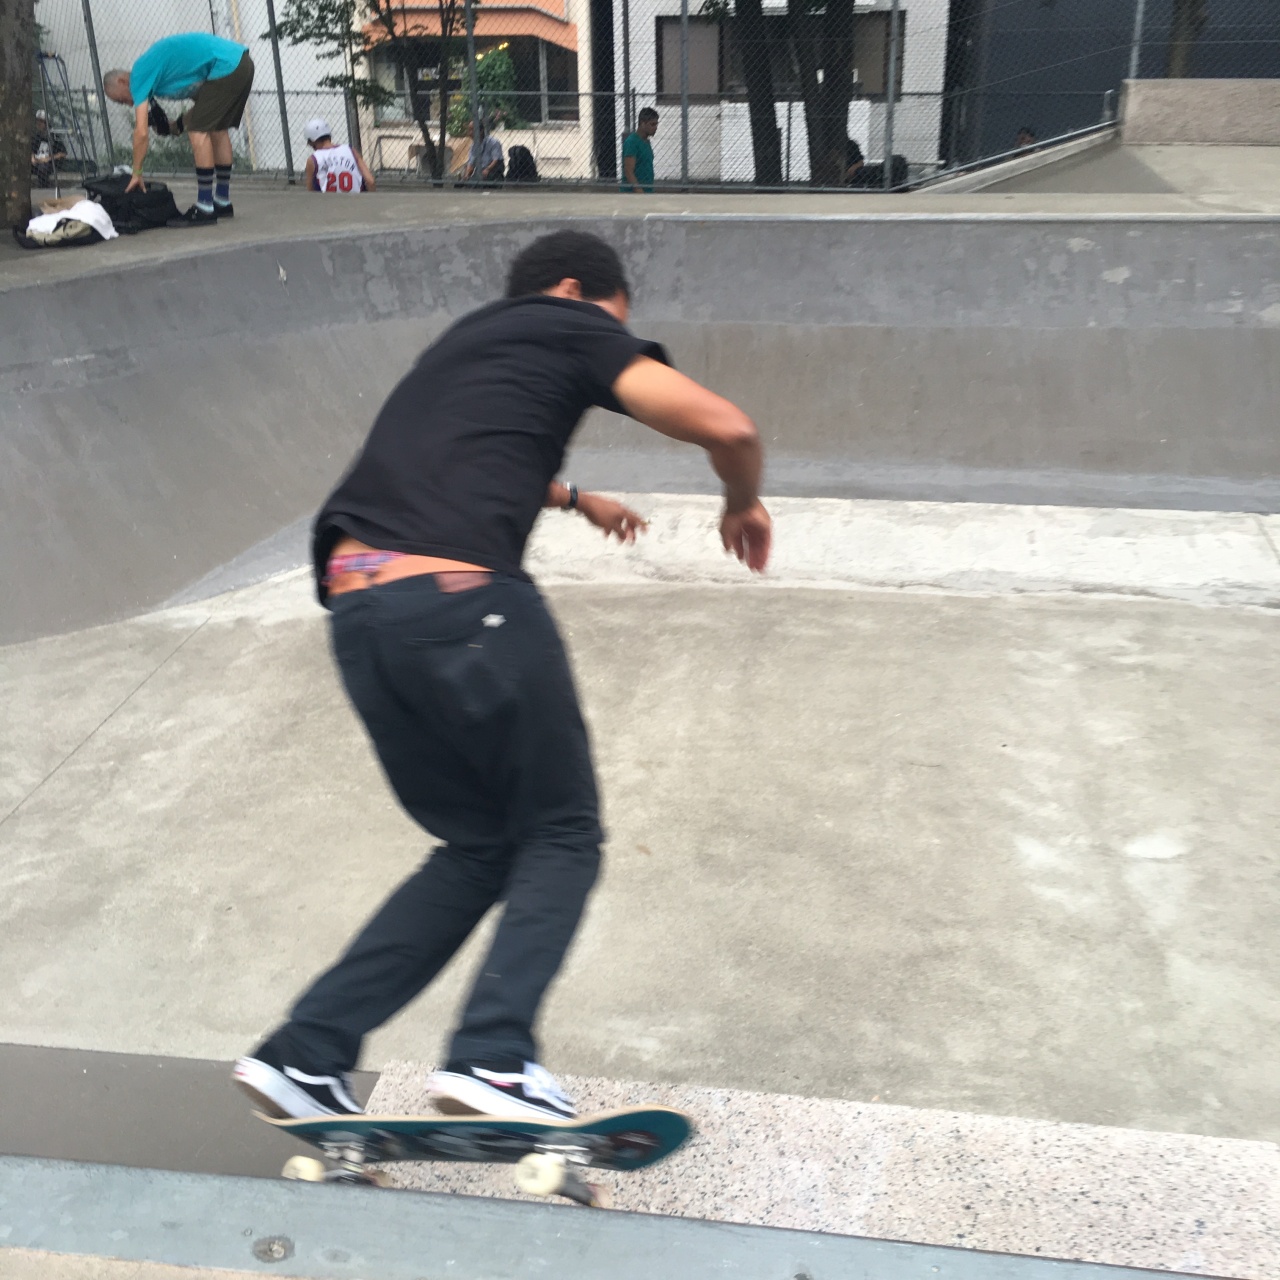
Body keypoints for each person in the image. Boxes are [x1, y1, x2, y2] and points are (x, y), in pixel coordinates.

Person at [232, 230, 771, 1122]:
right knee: (563, 833)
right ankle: (493, 1059)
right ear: (574, 291)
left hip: (361, 615)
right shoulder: (571, 320)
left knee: (480, 847)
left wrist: (574, 497)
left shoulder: (465, 343)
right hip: (461, 606)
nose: (614, 343)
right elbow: (728, 426)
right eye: (615, 325)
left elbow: (469, 448)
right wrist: (741, 498)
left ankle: (306, 1053)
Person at [103, 32, 255, 225]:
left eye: (121, 100)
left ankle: (205, 207)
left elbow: (140, 132)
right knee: (217, 129)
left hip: (228, 67)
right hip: (240, 63)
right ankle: (222, 201)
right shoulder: (163, 78)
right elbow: (203, 107)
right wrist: (174, 127)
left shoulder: (140, 74)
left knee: (198, 132)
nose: (128, 104)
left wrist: (137, 173)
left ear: (122, 82)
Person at [303, 118, 376, 193]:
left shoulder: (313, 160)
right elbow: (370, 181)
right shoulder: (351, 150)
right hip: (356, 199)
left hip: (328, 200)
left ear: (312, 141)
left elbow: (311, 192)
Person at [620, 107, 658, 194]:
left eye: (656, 124)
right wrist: (639, 191)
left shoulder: (646, 142)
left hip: (647, 191)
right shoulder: (632, 142)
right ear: (642, 123)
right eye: (652, 124)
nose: (655, 128)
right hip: (633, 194)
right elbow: (628, 171)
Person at [31, 110, 67, 186]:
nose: (38, 124)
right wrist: (32, 157)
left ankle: (44, 186)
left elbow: (63, 153)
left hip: (48, 164)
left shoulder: (54, 137)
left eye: (41, 121)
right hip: (37, 162)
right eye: (37, 121)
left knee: (43, 168)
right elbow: (32, 150)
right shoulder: (37, 137)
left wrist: (48, 158)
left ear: (46, 123)